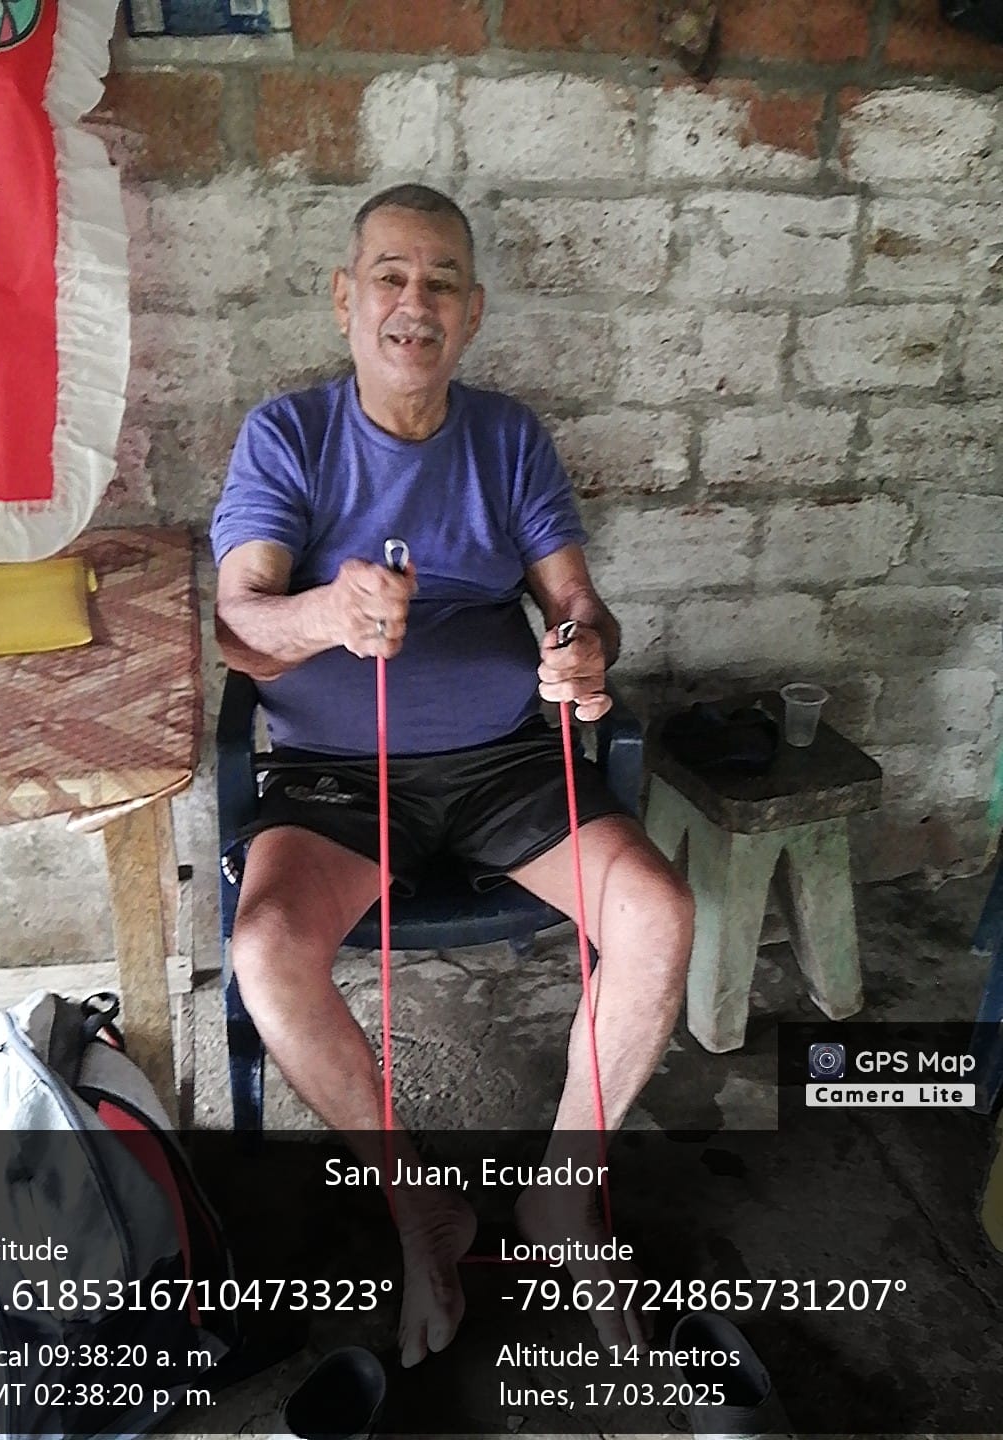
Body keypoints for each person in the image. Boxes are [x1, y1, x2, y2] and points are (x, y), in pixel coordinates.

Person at [210, 183, 694, 1368]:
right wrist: (326, 612)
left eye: (439, 283)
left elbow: (580, 604)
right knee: (265, 951)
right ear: (345, 298)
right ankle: (418, 1210)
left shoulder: (508, 438)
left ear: (472, 313)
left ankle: (563, 1201)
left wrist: (582, 649)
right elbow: (238, 624)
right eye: (389, 276)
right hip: (334, 775)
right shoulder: (289, 435)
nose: (412, 302)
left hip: (507, 764)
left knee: (659, 912)